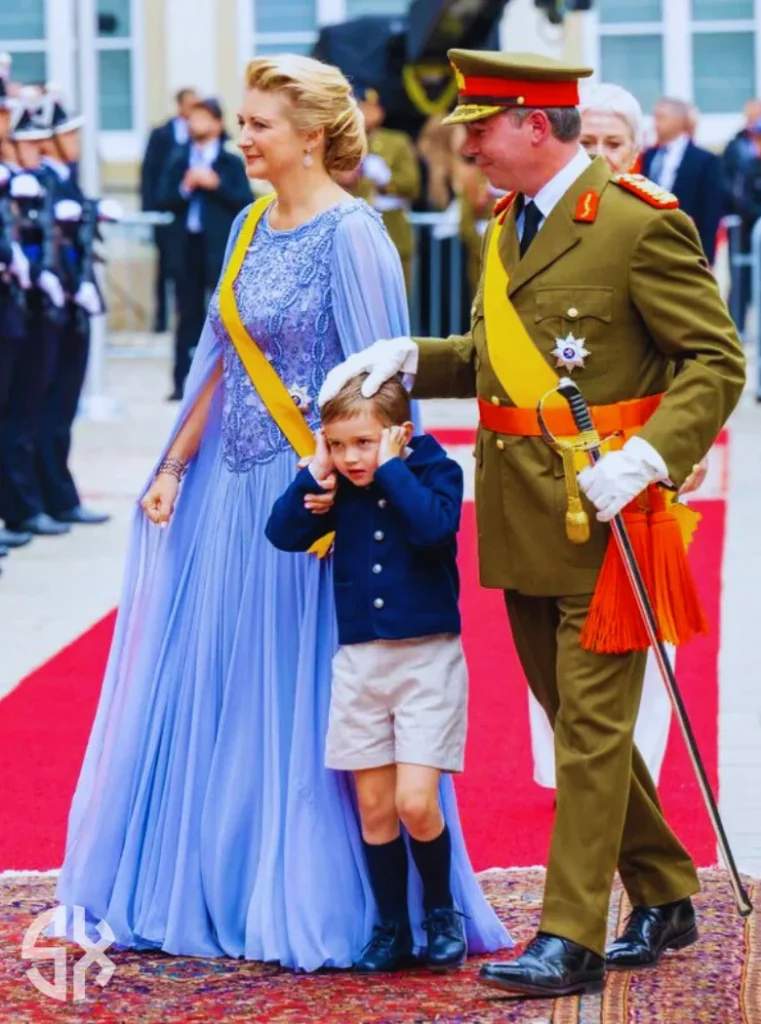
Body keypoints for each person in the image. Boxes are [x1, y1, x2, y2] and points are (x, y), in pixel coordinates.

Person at [54, 54, 508, 971]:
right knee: (223, 685)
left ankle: (342, 900)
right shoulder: (249, 222)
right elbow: (222, 354)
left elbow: (386, 388)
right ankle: (216, 878)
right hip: (229, 491)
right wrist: (174, 466)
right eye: (245, 121)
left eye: (259, 123)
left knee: (307, 704)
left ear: (311, 136)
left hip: (322, 503)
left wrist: (375, 497)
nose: (244, 136)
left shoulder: (355, 236)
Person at [320, 49, 746, 998]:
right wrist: (410, 357)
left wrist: (649, 458)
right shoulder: (510, 224)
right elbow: (492, 357)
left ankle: (570, 936)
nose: (465, 145)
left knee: (589, 733)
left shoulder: (635, 225)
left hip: (607, 516)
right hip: (521, 517)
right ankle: (668, 888)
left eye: (480, 126)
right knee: (571, 719)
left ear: (534, 125)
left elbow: (715, 362)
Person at [525, 81, 708, 792]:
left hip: (637, 462)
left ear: (637, 151)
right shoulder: (533, 226)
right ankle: (568, 779)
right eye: (588, 142)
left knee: (641, 626)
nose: (598, 156)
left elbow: (700, 354)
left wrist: (673, 450)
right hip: (552, 466)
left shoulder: (656, 226)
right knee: (554, 636)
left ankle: (643, 781)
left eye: (612, 144)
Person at [266, 373, 477, 972]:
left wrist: (390, 469)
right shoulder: (336, 485)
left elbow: (434, 529)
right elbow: (282, 533)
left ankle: (440, 909)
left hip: (427, 661)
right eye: (339, 444)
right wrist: (314, 473)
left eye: (364, 443)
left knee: (416, 801)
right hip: (360, 663)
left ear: (398, 435)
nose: (351, 457)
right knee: (377, 808)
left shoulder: (435, 473)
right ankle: (391, 928)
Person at [156, 97, 252, 401]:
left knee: (224, 311)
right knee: (186, 314)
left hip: (218, 247)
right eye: (191, 119)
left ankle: (226, 380)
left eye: (201, 118)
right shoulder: (178, 159)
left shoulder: (229, 162)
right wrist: (185, 186)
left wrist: (215, 184)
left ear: (216, 123)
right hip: (187, 246)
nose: (194, 124)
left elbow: (243, 199)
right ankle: (181, 380)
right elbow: (161, 197)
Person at [339, 86, 420, 294]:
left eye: (368, 107)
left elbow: (412, 186)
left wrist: (387, 181)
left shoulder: (397, 142)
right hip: (353, 234)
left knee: (395, 298)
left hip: (391, 229)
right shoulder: (341, 143)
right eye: (358, 107)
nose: (363, 113)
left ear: (380, 111)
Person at [140, 87, 199, 332]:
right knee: (164, 267)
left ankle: (185, 319)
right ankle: (161, 319)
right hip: (166, 212)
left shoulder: (200, 134)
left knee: (187, 271)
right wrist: (149, 209)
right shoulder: (161, 134)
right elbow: (149, 172)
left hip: (190, 212)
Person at [642, 98, 724, 265]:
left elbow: (710, 212)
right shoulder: (649, 156)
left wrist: (707, 256)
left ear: (678, 121)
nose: (655, 124)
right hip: (650, 245)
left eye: (661, 117)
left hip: (687, 246)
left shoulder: (705, 160)